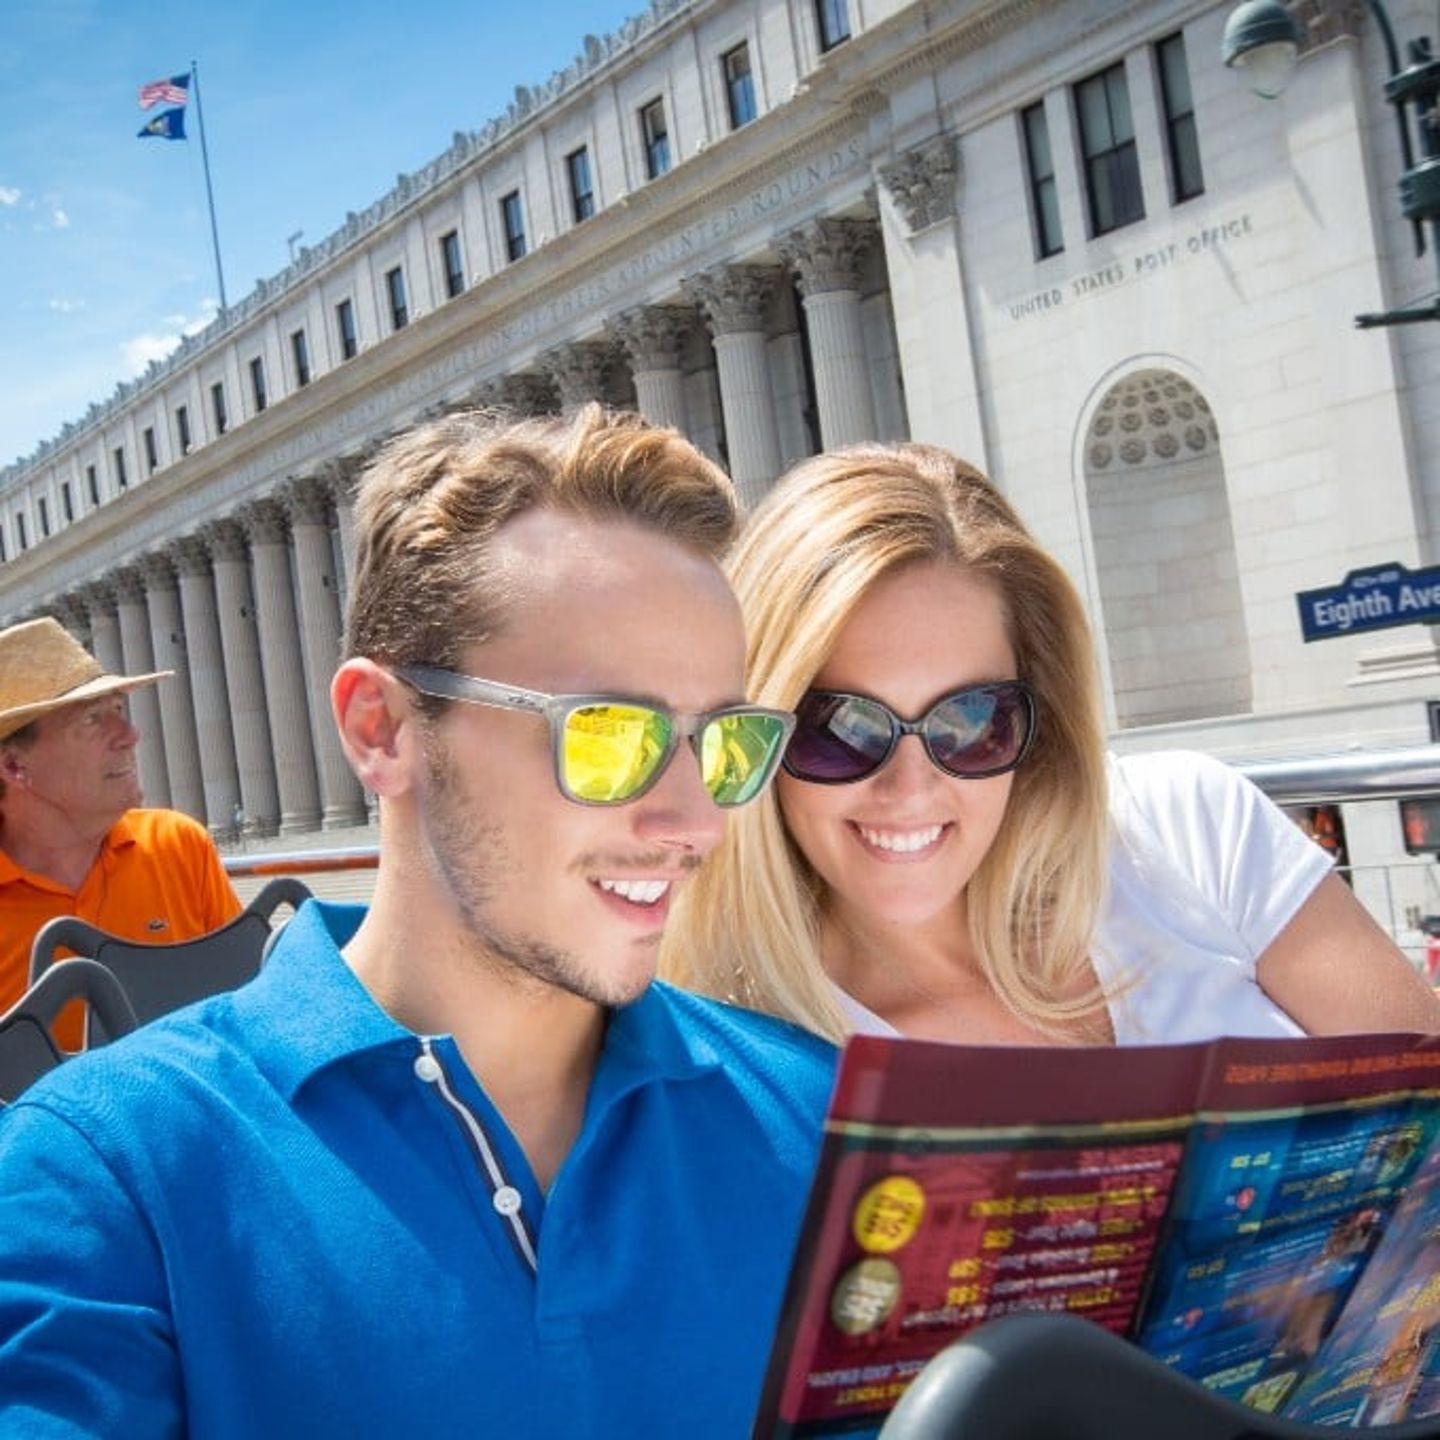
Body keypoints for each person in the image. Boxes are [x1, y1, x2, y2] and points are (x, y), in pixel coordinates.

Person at [0, 405, 836, 1437]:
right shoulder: (104, 1174)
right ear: (381, 729)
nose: (697, 819)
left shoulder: (826, 1120)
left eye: (727, 741)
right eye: (610, 735)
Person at [663, 441, 1440, 1046]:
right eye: (841, 730)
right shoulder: (742, 1046)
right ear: (757, 738)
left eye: (971, 722)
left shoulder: (1187, 829)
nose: (911, 788)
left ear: (1038, 717)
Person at [0, 616, 241, 1039]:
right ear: (14, 765)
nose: (130, 734)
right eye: (93, 719)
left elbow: (247, 1006)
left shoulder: (179, 846)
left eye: (119, 709)